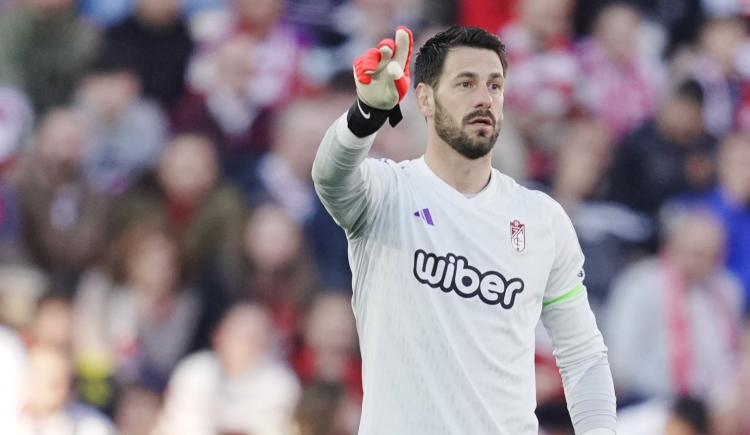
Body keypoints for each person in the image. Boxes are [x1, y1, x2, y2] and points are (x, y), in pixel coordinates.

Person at [312, 25, 616, 434]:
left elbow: (583, 355)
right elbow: (329, 176)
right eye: (465, 83)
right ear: (425, 99)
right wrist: (366, 115)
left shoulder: (543, 220)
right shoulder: (387, 194)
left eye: (495, 85)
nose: (484, 99)